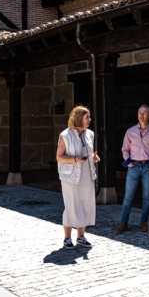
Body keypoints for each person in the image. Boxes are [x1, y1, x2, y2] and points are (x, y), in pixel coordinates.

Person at [56, 106, 100, 249]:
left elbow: (89, 152)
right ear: (79, 118)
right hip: (70, 177)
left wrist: (94, 157)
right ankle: (67, 238)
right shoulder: (65, 135)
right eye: (87, 117)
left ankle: (81, 236)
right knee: (71, 206)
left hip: (87, 175)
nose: (90, 120)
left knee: (85, 205)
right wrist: (75, 160)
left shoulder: (90, 134)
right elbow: (59, 157)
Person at [116, 104, 149, 234]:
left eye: (145, 113)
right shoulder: (130, 132)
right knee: (128, 197)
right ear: (137, 115)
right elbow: (124, 149)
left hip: (148, 167)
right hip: (134, 167)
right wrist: (129, 163)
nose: (142, 116)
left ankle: (143, 222)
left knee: (147, 197)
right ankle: (123, 223)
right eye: (140, 113)